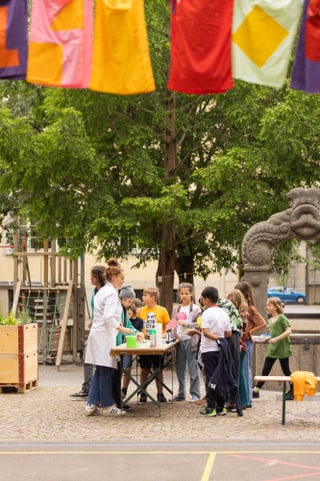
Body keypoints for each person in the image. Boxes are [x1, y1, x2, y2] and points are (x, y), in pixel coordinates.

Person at [84, 258, 133, 417]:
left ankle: (91, 403)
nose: (122, 281)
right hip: (104, 336)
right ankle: (107, 404)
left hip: (99, 334)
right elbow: (108, 317)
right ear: (114, 277)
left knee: (100, 370)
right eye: (121, 278)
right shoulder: (111, 293)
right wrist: (123, 329)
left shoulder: (103, 290)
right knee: (106, 370)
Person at [70, 265, 106, 399]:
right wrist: (92, 319)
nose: (90, 278)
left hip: (103, 331)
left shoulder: (106, 291)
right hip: (95, 328)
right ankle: (87, 387)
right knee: (87, 358)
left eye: (92, 276)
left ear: (97, 277)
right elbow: (96, 309)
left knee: (100, 361)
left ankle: (97, 390)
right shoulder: (95, 291)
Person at [199, 286, 232, 417]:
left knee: (211, 378)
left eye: (203, 299)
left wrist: (215, 337)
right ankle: (221, 406)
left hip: (208, 348)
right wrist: (221, 337)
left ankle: (211, 406)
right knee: (220, 377)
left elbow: (205, 332)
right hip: (221, 349)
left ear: (206, 299)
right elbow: (228, 333)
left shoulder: (206, 313)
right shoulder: (223, 313)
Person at [252, 297, 293, 400]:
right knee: (265, 370)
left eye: (269, 305)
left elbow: (288, 331)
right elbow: (273, 334)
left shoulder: (282, 318)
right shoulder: (269, 320)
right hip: (272, 349)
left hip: (282, 349)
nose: (267, 307)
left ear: (276, 307)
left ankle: (294, 389)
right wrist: (266, 338)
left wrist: (276, 339)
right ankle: (256, 390)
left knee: (286, 371)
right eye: (267, 305)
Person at [235, 281, 267, 408]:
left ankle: (248, 398)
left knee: (245, 369)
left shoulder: (251, 308)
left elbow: (262, 323)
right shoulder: (240, 307)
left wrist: (250, 331)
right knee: (242, 369)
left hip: (247, 341)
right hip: (240, 340)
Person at [138, 287, 170, 402]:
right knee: (144, 368)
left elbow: (169, 324)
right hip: (144, 343)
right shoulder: (141, 311)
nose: (142, 297)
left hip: (158, 343)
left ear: (153, 298)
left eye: (145, 295)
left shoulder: (162, 310)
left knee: (158, 368)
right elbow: (137, 325)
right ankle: (143, 391)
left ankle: (160, 393)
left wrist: (165, 334)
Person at [171, 282, 202, 402]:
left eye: (186, 293)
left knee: (193, 369)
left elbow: (199, 325)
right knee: (180, 369)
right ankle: (181, 393)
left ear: (191, 294)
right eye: (182, 293)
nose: (184, 296)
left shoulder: (196, 309)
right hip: (179, 341)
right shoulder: (176, 308)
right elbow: (172, 323)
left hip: (191, 341)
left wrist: (186, 324)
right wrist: (168, 333)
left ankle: (195, 394)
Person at [218, 294, 243, 412]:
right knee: (234, 369)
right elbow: (239, 322)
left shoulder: (210, 309)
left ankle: (226, 400)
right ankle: (234, 402)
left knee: (224, 369)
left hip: (225, 336)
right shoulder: (228, 304)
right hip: (235, 335)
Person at [226, 289, 250, 409]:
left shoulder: (234, 315)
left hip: (238, 346)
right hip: (243, 345)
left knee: (238, 375)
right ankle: (244, 400)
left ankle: (240, 401)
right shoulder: (244, 313)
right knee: (240, 374)